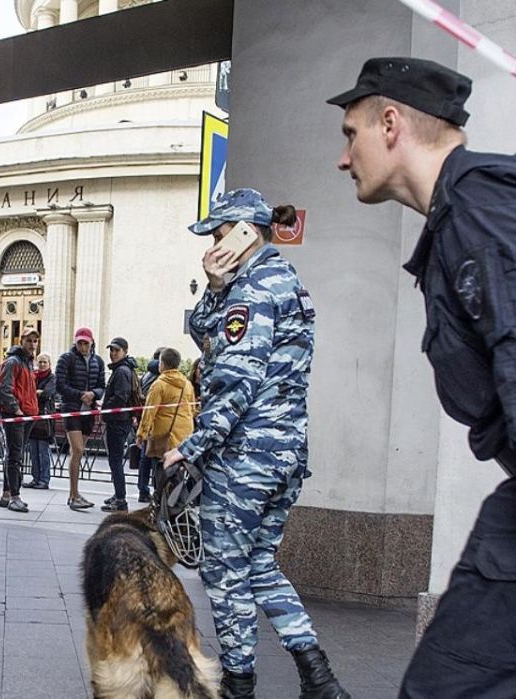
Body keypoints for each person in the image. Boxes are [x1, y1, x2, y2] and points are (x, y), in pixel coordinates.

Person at [330, 56, 516, 697]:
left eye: (349, 134)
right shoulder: (460, 219)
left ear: (390, 123)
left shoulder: (478, 212)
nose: (343, 158)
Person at [161, 189, 348, 699]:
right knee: (260, 565)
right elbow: (210, 336)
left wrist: (193, 446)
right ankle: (319, 677)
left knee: (225, 573)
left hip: (246, 455)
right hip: (283, 454)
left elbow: (236, 377)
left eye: (220, 234)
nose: (214, 244)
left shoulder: (256, 288)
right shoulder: (276, 281)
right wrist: (215, 287)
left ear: (244, 232)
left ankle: (238, 687)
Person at [55, 328, 106, 511]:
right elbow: (59, 384)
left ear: (92, 343)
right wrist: (80, 395)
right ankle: (73, 494)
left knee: (78, 452)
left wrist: (93, 394)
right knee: (77, 449)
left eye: (86, 343)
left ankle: (74, 494)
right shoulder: (66, 359)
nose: (83, 346)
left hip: (89, 412)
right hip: (72, 409)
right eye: (80, 343)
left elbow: (102, 385)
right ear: (75, 343)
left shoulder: (98, 361)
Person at [135, 347, 195, 495]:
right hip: (183, 437)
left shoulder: (159, 384)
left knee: (160, 476)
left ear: (161, 364)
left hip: (164, 438)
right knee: (178, 477)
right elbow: (192, 410)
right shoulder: (187, 384)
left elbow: (149, 411)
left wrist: (141, 434)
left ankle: (161, 506)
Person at [0, 327, 39, 513]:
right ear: (21, 341)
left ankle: (7, 494)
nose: (32, 344)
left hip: (27, 415)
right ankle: (14, 496)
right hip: (17, 416)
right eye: (29, 340)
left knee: (15, 455)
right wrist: (16, 409)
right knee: (15, 456)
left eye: (35, 341)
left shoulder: (27, 363)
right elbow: (2, 388)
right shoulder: (13, 362)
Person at [100, 337, 138, 512]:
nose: (113, 353)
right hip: (120, 420)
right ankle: (118, 494)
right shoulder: (124, 369)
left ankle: (121, 499)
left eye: (116, 350)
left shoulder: (122, 371)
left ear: (125, 351)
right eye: (111, 350)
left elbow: (120, 397)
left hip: (118, 421)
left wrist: (105, 408)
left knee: (115, 461)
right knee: (115, 461)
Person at [135, 347, 164, 501]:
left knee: (144, 460)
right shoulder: (160, 379)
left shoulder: (146, 375)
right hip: (156, 424)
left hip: (145, 422)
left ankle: (142, 490)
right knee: (154, 460)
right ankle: (154, 491)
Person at [26, 353, 57, 489]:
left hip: (45, 419)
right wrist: (36, 392)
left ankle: (44, 480)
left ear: (49, 364)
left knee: (43, 451)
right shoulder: (33, 376)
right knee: (33, 451)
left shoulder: (52, 378)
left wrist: (37, 393)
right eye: (40, 362)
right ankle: (35, 478)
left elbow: (47, 393)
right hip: (32, 417)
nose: (42, 365)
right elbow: (27, 392)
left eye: (45, 362)